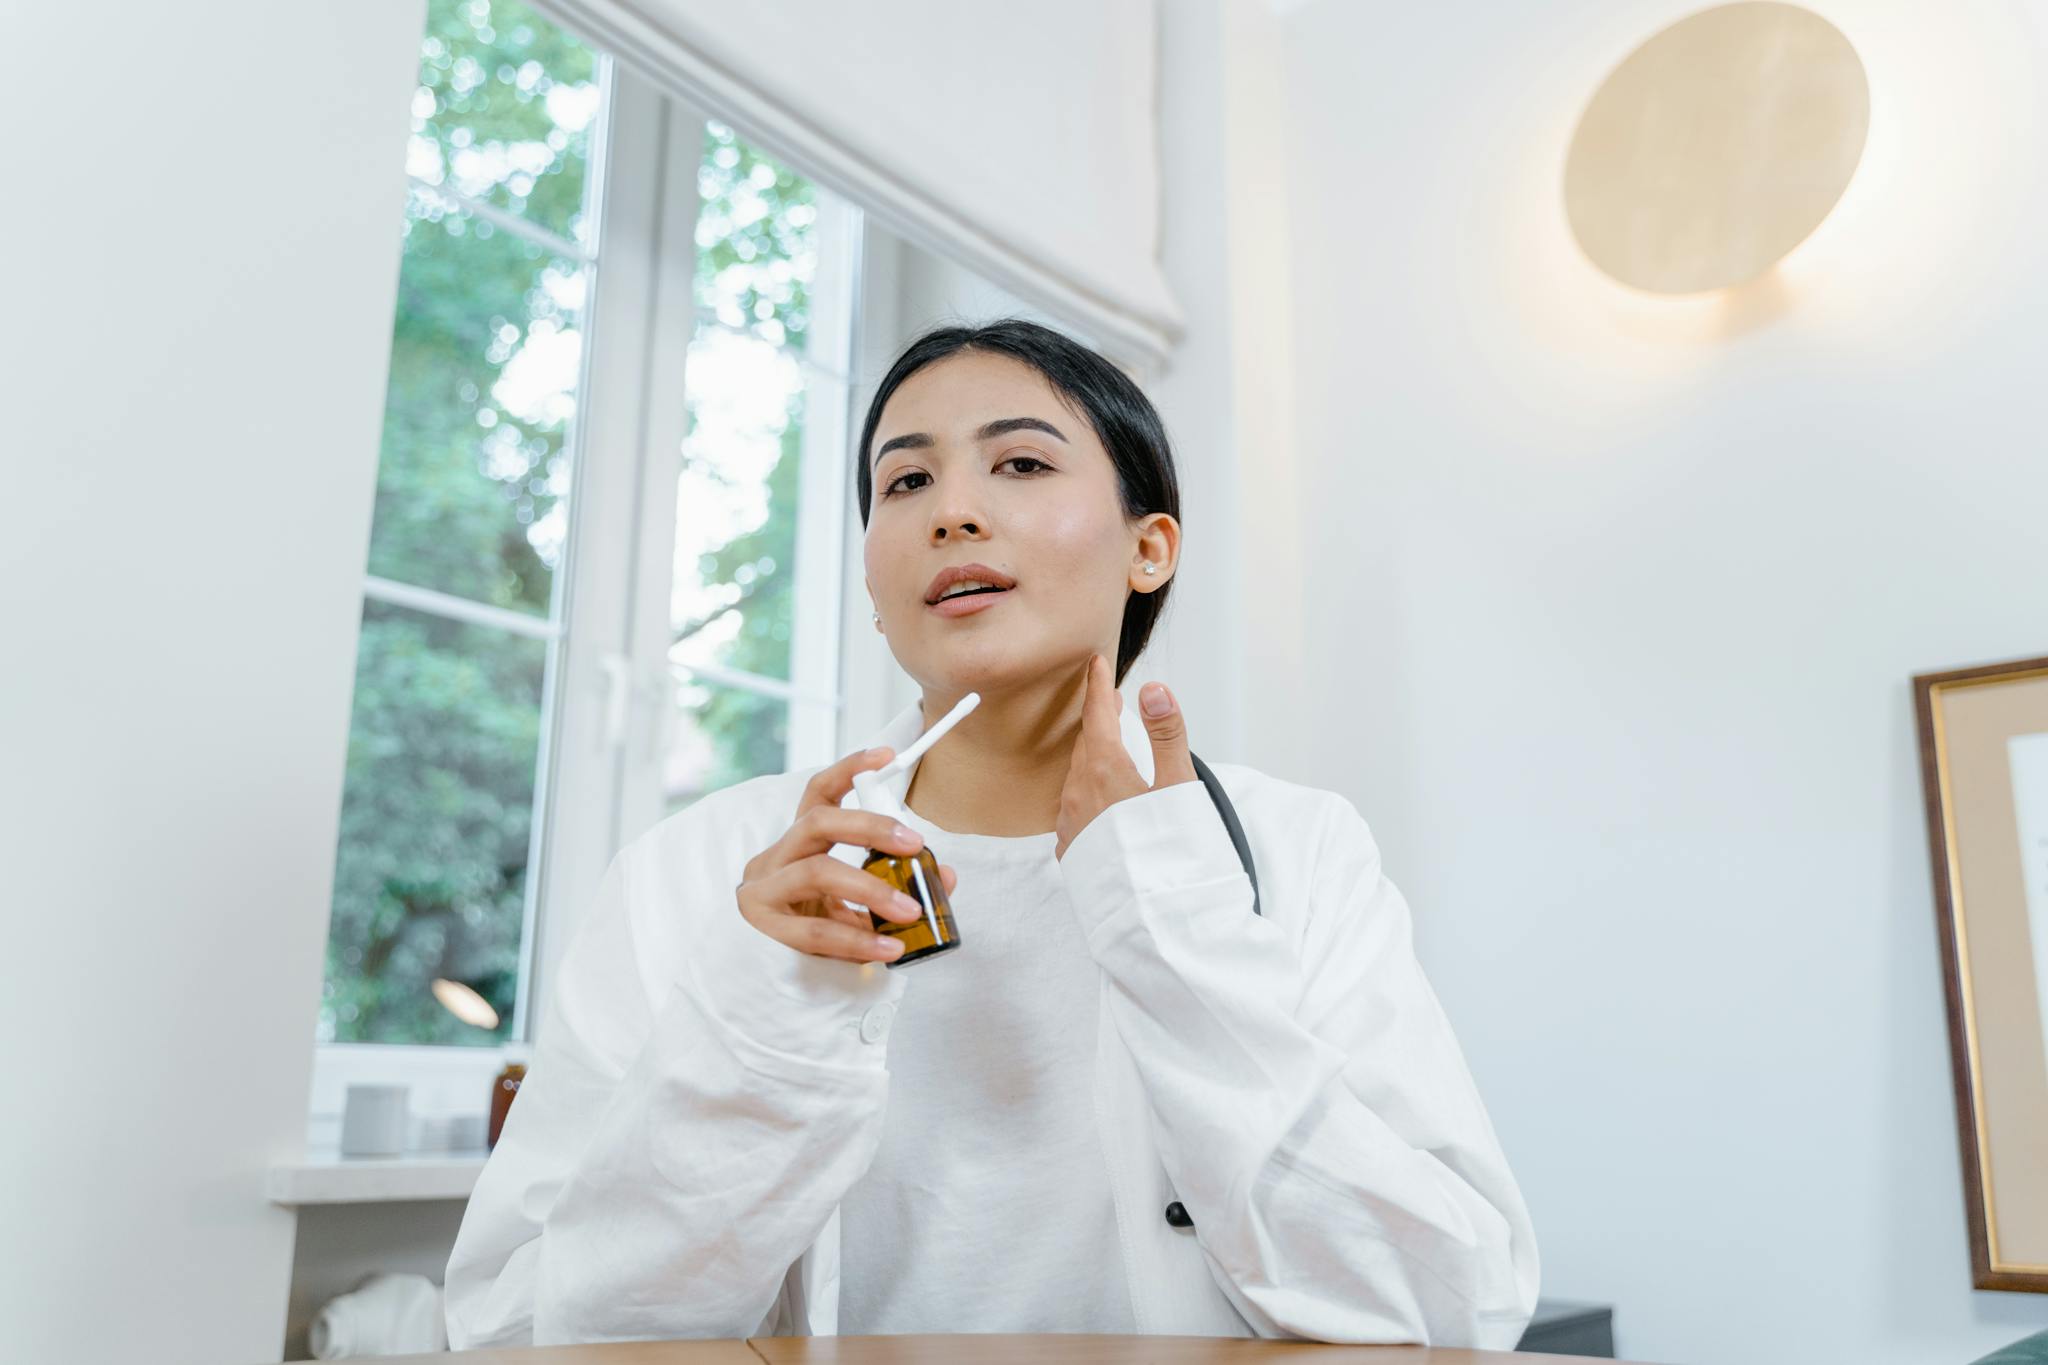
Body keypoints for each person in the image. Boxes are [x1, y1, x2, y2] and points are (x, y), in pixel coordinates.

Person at [443, 319, 1540, 1348]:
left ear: (1149, 547)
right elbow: (512, 1333)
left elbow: (1454, 1308)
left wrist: (1172, 923)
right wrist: (763, 1020)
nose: (950, 512)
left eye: (1018, 464)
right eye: (905, 481)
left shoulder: (1297, 850)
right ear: (874, 583)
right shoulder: (694, 874)